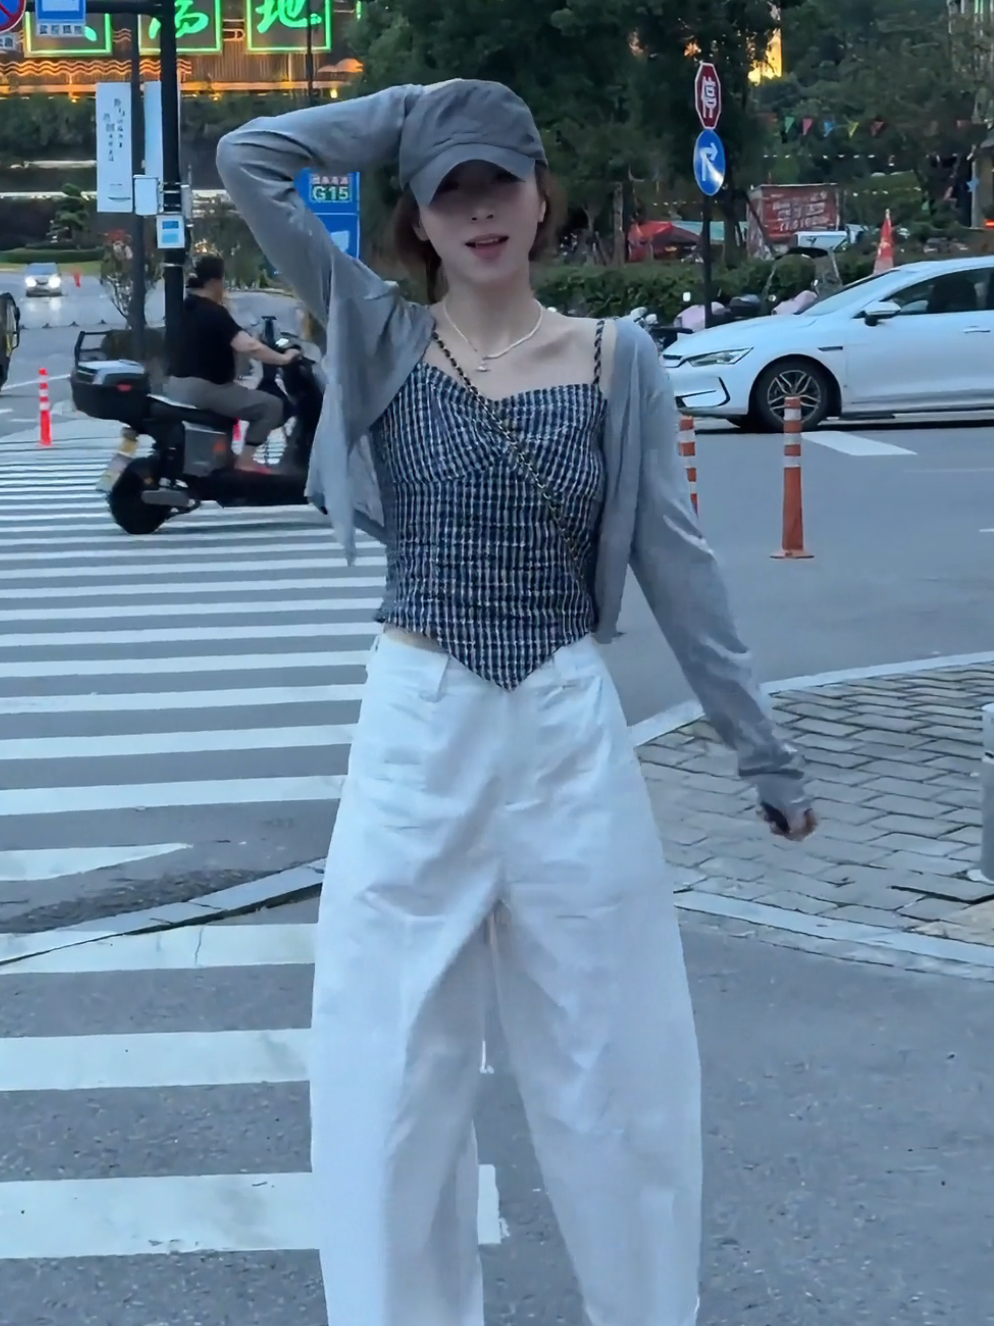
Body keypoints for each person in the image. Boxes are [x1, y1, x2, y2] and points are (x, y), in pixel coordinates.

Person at [218, 80, 817, 1326]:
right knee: (388, 1074)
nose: (481, 213)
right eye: (452, 193)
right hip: (416, 725)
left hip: (563, 723)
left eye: (502, 184)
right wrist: (418, 118)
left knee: (615, 1065)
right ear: (418, 220)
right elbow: (250, 154)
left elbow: (676, 565)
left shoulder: (615, 358)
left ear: (544, 198)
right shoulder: (376, 329)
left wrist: (760, 749)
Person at [165, 253, 298, 473]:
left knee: (238, 397)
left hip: (175, 386)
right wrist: (284, 358)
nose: (223, 287)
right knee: (271, 406)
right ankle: (246, 461)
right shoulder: (213, 311)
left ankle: (226, 455)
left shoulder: (183, 308)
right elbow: (249, 347)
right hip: (206, 390)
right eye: (222, 281)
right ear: (214, 282)